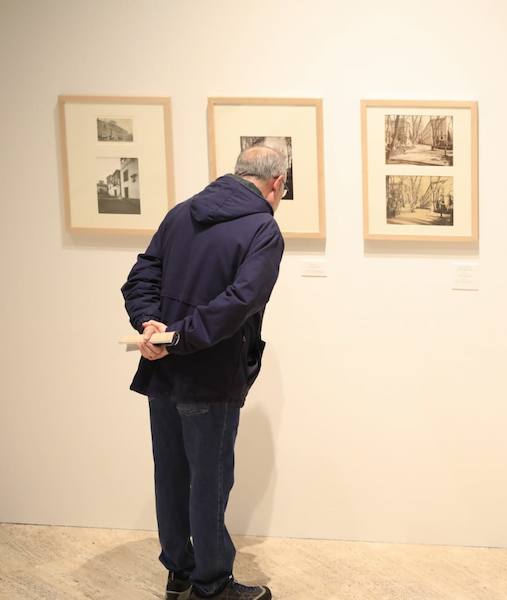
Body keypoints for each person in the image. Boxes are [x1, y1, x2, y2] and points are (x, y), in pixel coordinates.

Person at [121, 145, 288, 600]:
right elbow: (239, 303)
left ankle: (180, 572)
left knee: (171, 473)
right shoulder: (262, 230)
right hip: (210, 375)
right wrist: (173, 334)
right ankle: (211, 584)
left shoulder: (180, 214)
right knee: (209, 480)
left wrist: (152, 326)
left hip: (163, 368)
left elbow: (141, 276)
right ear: (276, 183)